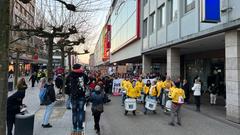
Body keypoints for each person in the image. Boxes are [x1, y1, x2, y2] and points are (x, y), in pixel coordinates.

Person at [66, 64, 89, 132]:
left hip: (73, 96)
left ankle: (74, 127)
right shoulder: (83, 75)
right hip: (81, 95)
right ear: (79, 68)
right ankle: (80, 127)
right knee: (81, 111)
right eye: (81, 67)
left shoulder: (70, 75)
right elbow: (88, 82)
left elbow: (66, 85)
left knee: (74, 112)